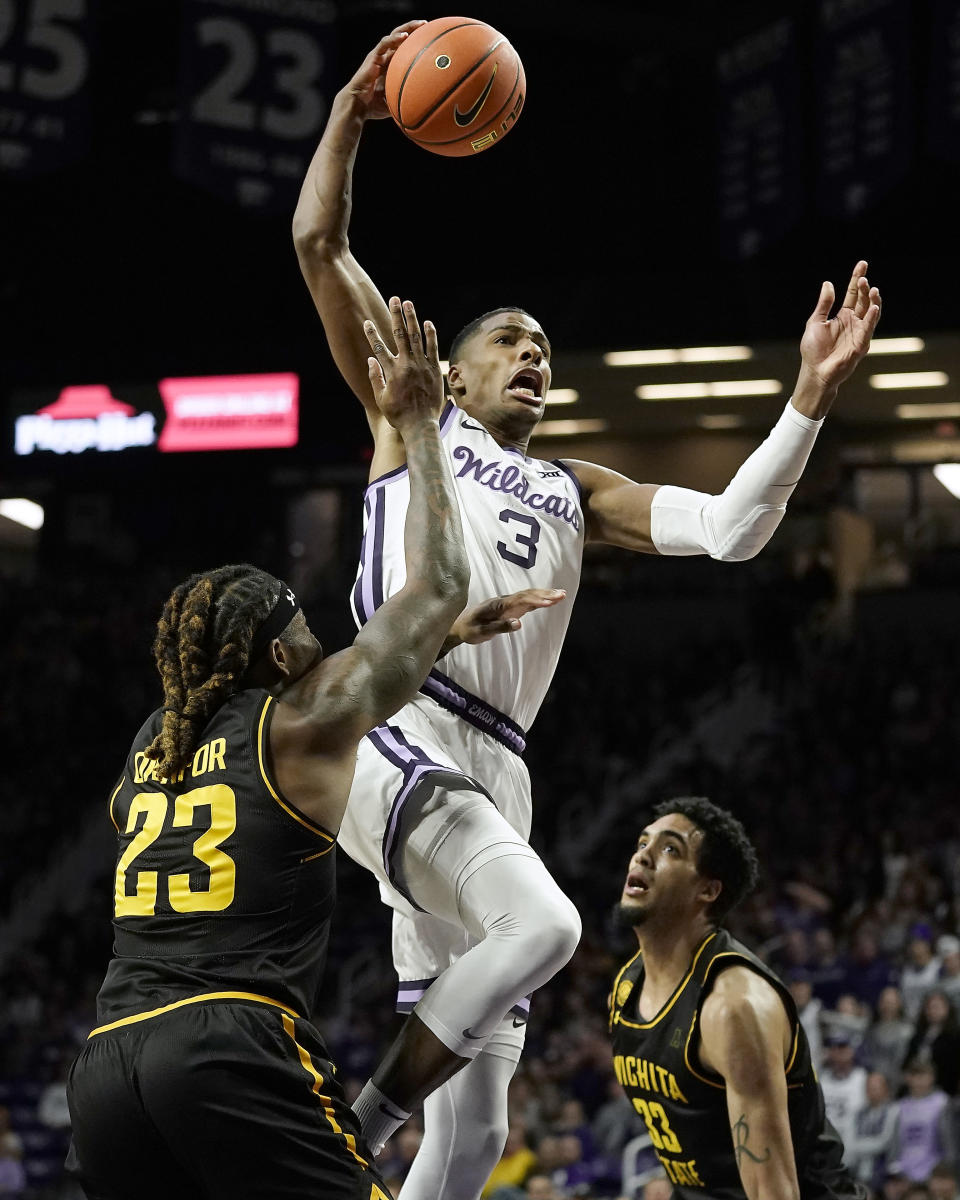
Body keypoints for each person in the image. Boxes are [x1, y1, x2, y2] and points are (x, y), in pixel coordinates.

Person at [292, 22, 883, 1199]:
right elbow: (318, 238)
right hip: (397, 715)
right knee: (552, 928)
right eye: (511, 341)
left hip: (497, 765)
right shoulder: (413, 413)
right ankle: (341, 1131)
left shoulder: (575, 487)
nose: (535, 356)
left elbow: (732, 531)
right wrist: (353, 119)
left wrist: (808, 398)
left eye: (545, 348)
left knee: (469, 1131)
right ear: (451, 374)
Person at [64, 301, 480, 1200]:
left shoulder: (151, 745)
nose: (322, 646)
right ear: (283, 657)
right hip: (228, 1046)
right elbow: (443, 582)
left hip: (106, 1071)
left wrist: (427, 647)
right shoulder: (300, 715)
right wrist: (415, 422)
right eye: (308, 634)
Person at [607, 796, 867, 1200]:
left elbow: (773, 1192)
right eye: (643, 843)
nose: (642, 857)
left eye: (670, 848)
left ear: (708, 890)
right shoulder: (628, 984)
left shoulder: (733, 1007)